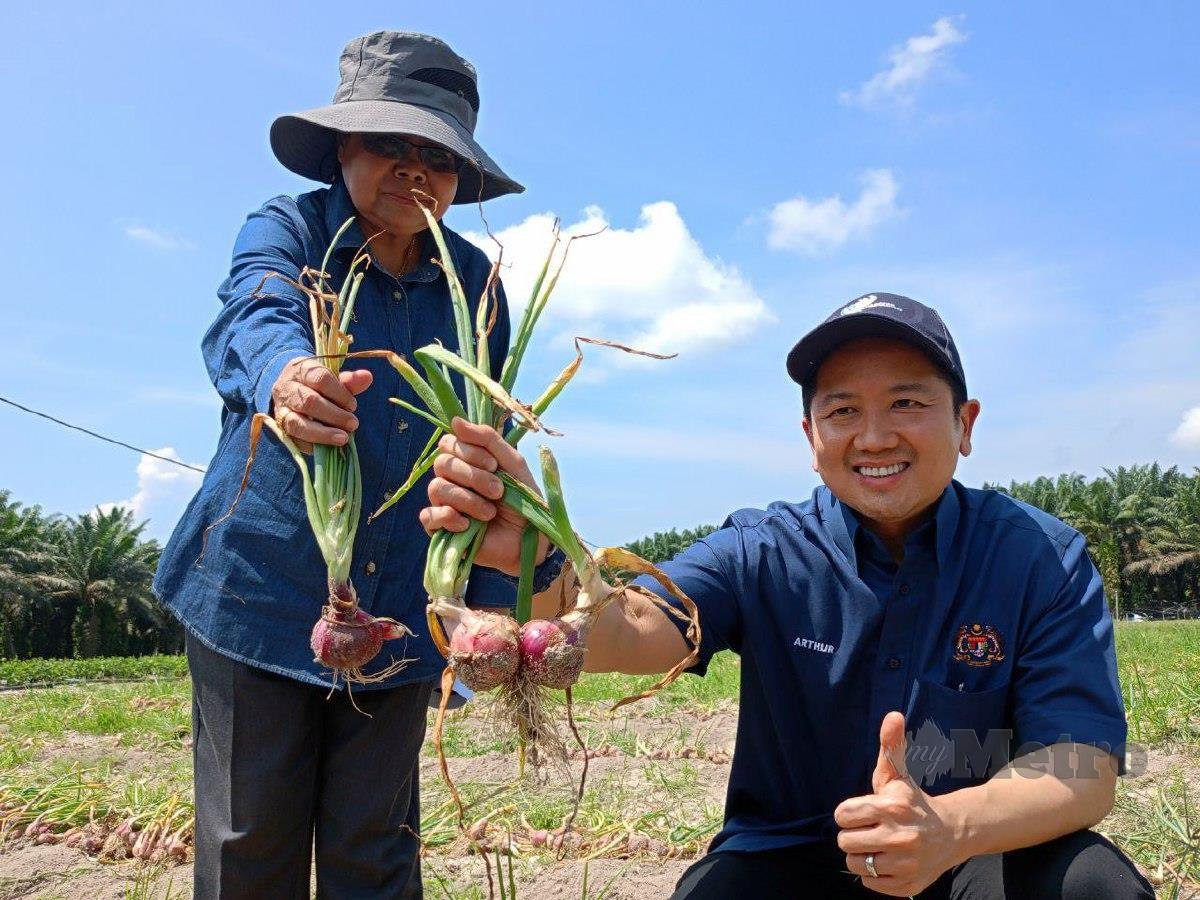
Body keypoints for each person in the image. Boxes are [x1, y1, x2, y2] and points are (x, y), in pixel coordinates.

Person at [421, 293, 1156, 898]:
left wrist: (943, 829)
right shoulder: (763, 549)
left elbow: (1080, 765)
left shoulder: (1038, 557)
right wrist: (542, 561)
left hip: (976, 852)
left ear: (964, 425)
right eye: (842, 412)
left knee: (1094, 887)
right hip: (794, 858)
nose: (873, 436)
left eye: (906, 402)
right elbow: (639, 626)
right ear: (810, 435)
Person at [153, 31, 523, 898]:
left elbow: (483, 447)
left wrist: (486, 610)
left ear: (460, 177)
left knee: (376, 849)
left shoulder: (477, 286)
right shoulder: (289, 226)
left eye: (436, 155)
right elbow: (254, 306)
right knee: (249, 840)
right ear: (341, 148)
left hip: (400, 605)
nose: (413, 169)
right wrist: (287, 373)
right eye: (388, 143)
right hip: (260, 587)